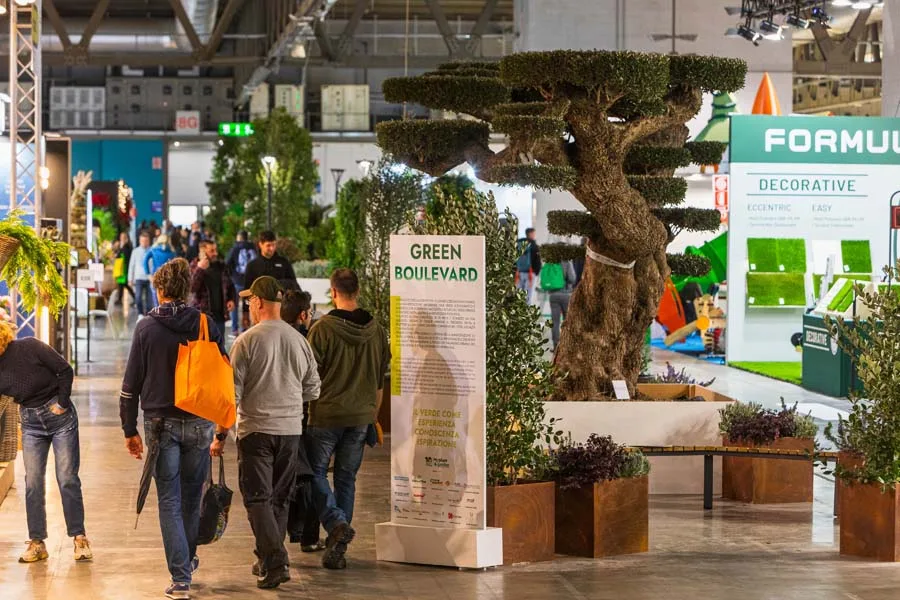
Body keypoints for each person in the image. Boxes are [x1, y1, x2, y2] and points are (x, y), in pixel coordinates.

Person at [119, 258, 226, 600]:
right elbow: (223, 375)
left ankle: (181, 578)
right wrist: (223, 425)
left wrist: (129, 429)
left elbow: (130, 385)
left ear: (160, 289)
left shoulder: (146, 328)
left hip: (160, 424)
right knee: (192, 497)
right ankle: (187, 559)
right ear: (186, 289)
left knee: (169, 499)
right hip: (199, 421)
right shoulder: (206, 324)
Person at [212, 277, 320, 590]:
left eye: (249, 301)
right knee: (280, 499)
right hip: (290, 431)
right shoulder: (299, 340)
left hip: (256, 430)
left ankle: (276, 561)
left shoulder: (246, 341)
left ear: (259, 302)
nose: (248, 305)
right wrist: (287, 399)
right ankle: (265, 558)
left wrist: (220, 435)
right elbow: (313, 388)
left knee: (257, 498)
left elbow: (232, 395)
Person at [306, 268, 390, 570]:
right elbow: (379, 380)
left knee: (313, 473)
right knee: (346, 479)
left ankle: (336, 523)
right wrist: (373, 416)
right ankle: (338, 547)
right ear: (358, 291)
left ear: (333, 292)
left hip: (325, 415)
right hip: (361, 416)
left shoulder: (322, 329)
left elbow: (308, 376)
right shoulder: (377, 331)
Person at [0, 321, 93, 564]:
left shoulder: (29, 346)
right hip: (30, 424)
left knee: (67, 478)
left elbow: (65, 370)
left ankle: (79, 538)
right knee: (32, 482)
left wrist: (62, 402)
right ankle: (37, 542)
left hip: (60, 418)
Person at [281, 290, 325, 552]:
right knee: (309, 475)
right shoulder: (305, 340)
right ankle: (309, 536)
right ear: (303, 314)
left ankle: (283, 537)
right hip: (304, 416)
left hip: (277, 419)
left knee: (282, 478)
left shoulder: (269, 337)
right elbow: (313, 385)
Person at [242, 231, 300, 330]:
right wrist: (245, 313)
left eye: (274, 245)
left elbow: (294, 284)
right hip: (260, 313)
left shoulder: (284, 263)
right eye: (268, 245)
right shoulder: (252, 265)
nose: (272, 248)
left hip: (282, 312)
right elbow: (247, 290)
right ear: (260, 244)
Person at [190, 239, 236, 338]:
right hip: (202, 316)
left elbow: (230, 285)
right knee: (203, 346)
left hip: (220, 316)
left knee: (219, 345)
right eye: (212, 251)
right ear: (202, 251)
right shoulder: (194, 265)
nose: (216, 253)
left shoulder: (221, 266)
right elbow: (192, 288)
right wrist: (200, 269)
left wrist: (231, 299)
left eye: (216, 250)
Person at [225, 231, 257, 335]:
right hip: (251, 282)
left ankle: (235, 329)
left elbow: (227, 264)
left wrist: (232, 275)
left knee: (234, 305)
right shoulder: (254, 248)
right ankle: (245, 328)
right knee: (247, 306)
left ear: (239, 238)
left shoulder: (235, 248)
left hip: (237, 281)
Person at [547, 260, 578, 351]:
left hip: (553, 295)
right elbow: (572, 278)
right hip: (566, 295)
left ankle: (556, 346)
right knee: (567, 321)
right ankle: (567, 345)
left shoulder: (551, 261)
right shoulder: (567, 262)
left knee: (555, 322)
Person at [145, 234, 177, 308]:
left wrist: (148, 274)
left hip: (155, 275)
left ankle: (158, 310)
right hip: (168, 277)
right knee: (167, 296)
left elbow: (145, 261)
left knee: (156, 296)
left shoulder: (153, 250)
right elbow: (175, 265)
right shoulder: (172, 251)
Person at [516, 228, 542, 304]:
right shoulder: (533, 245)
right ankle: (526, 310)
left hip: (519, 273)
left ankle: (518, 310)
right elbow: (537, 260)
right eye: (534, 234)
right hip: (530, 273)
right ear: (531, 234)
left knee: (519, 295)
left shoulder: (518, 243)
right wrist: (536, 272)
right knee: (528, 296)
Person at [130, 232, 153, 316]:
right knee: (138, 297)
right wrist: (130, 279)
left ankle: (148, 315)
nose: (144, 243)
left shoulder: (152, 250)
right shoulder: (135, 251)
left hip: (150, 278)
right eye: (142, 241)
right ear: (140, 241)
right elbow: (131, 265)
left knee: (149, 300)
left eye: (146, 241)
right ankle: (140, 314)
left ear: (149, 241)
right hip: (138, 277)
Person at [115, 231, 135, 306]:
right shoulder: (123, 246)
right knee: (123, 284)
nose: (121, 239)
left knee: (124, 284)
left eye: (123, 237)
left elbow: (125, 257)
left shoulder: (127, 247)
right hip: (122, 269)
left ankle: (134, 298)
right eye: (121, 237)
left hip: (124, 269)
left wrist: (119, 253)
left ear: (126, 238)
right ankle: (120, 299)